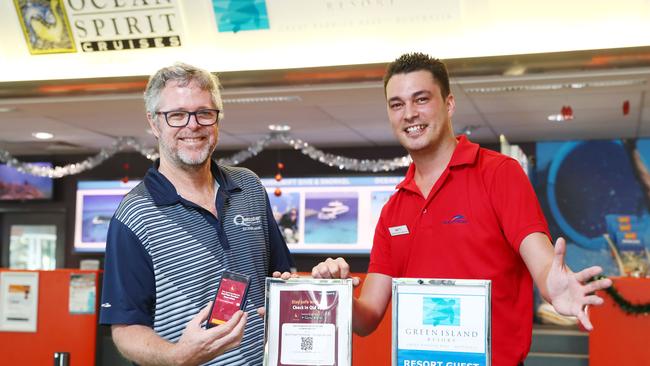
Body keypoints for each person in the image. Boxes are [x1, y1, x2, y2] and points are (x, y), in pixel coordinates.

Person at [311, 53, 612, 366]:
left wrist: (554, 287)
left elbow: (542, 262)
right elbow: (367, 317)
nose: (409, 114)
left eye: (421, 99)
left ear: (449, 104)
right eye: (397, 104)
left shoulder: (499, 174)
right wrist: (337, 293)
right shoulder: (393, 209)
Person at [99, 62, 294, 366]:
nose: (193, 125)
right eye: (177, 115)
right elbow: (125, 328)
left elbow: (281, 280)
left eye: (205, 113)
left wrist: (322, 284)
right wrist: (177, 356)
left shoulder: (249, 187)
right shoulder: (134, 214)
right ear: (154, 123)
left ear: (217, 118)